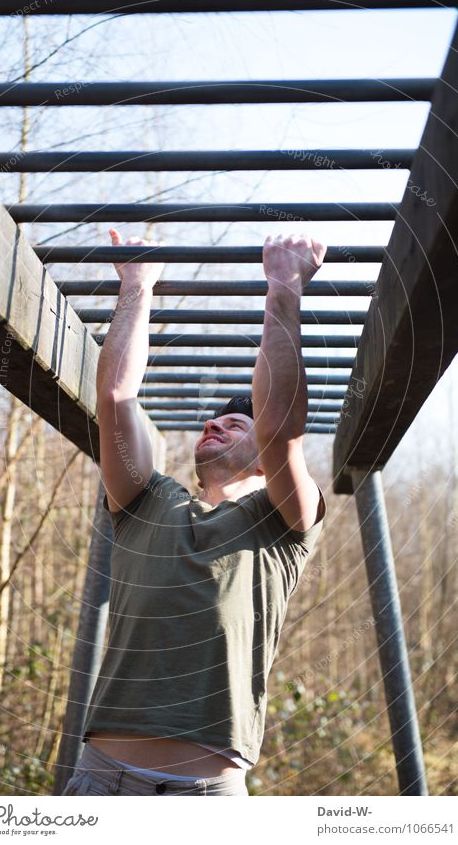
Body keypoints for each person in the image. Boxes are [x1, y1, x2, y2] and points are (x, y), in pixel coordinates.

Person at [62, 231, 328, 796]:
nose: (213, 424)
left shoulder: (282, 526)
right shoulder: (147, 500)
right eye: (211, 421)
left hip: (205, 796)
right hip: (103, 778)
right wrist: (137, 284)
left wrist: (284, 288)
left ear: (262, 461)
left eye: (235, 424)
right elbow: (114, 399)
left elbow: (281, 428)